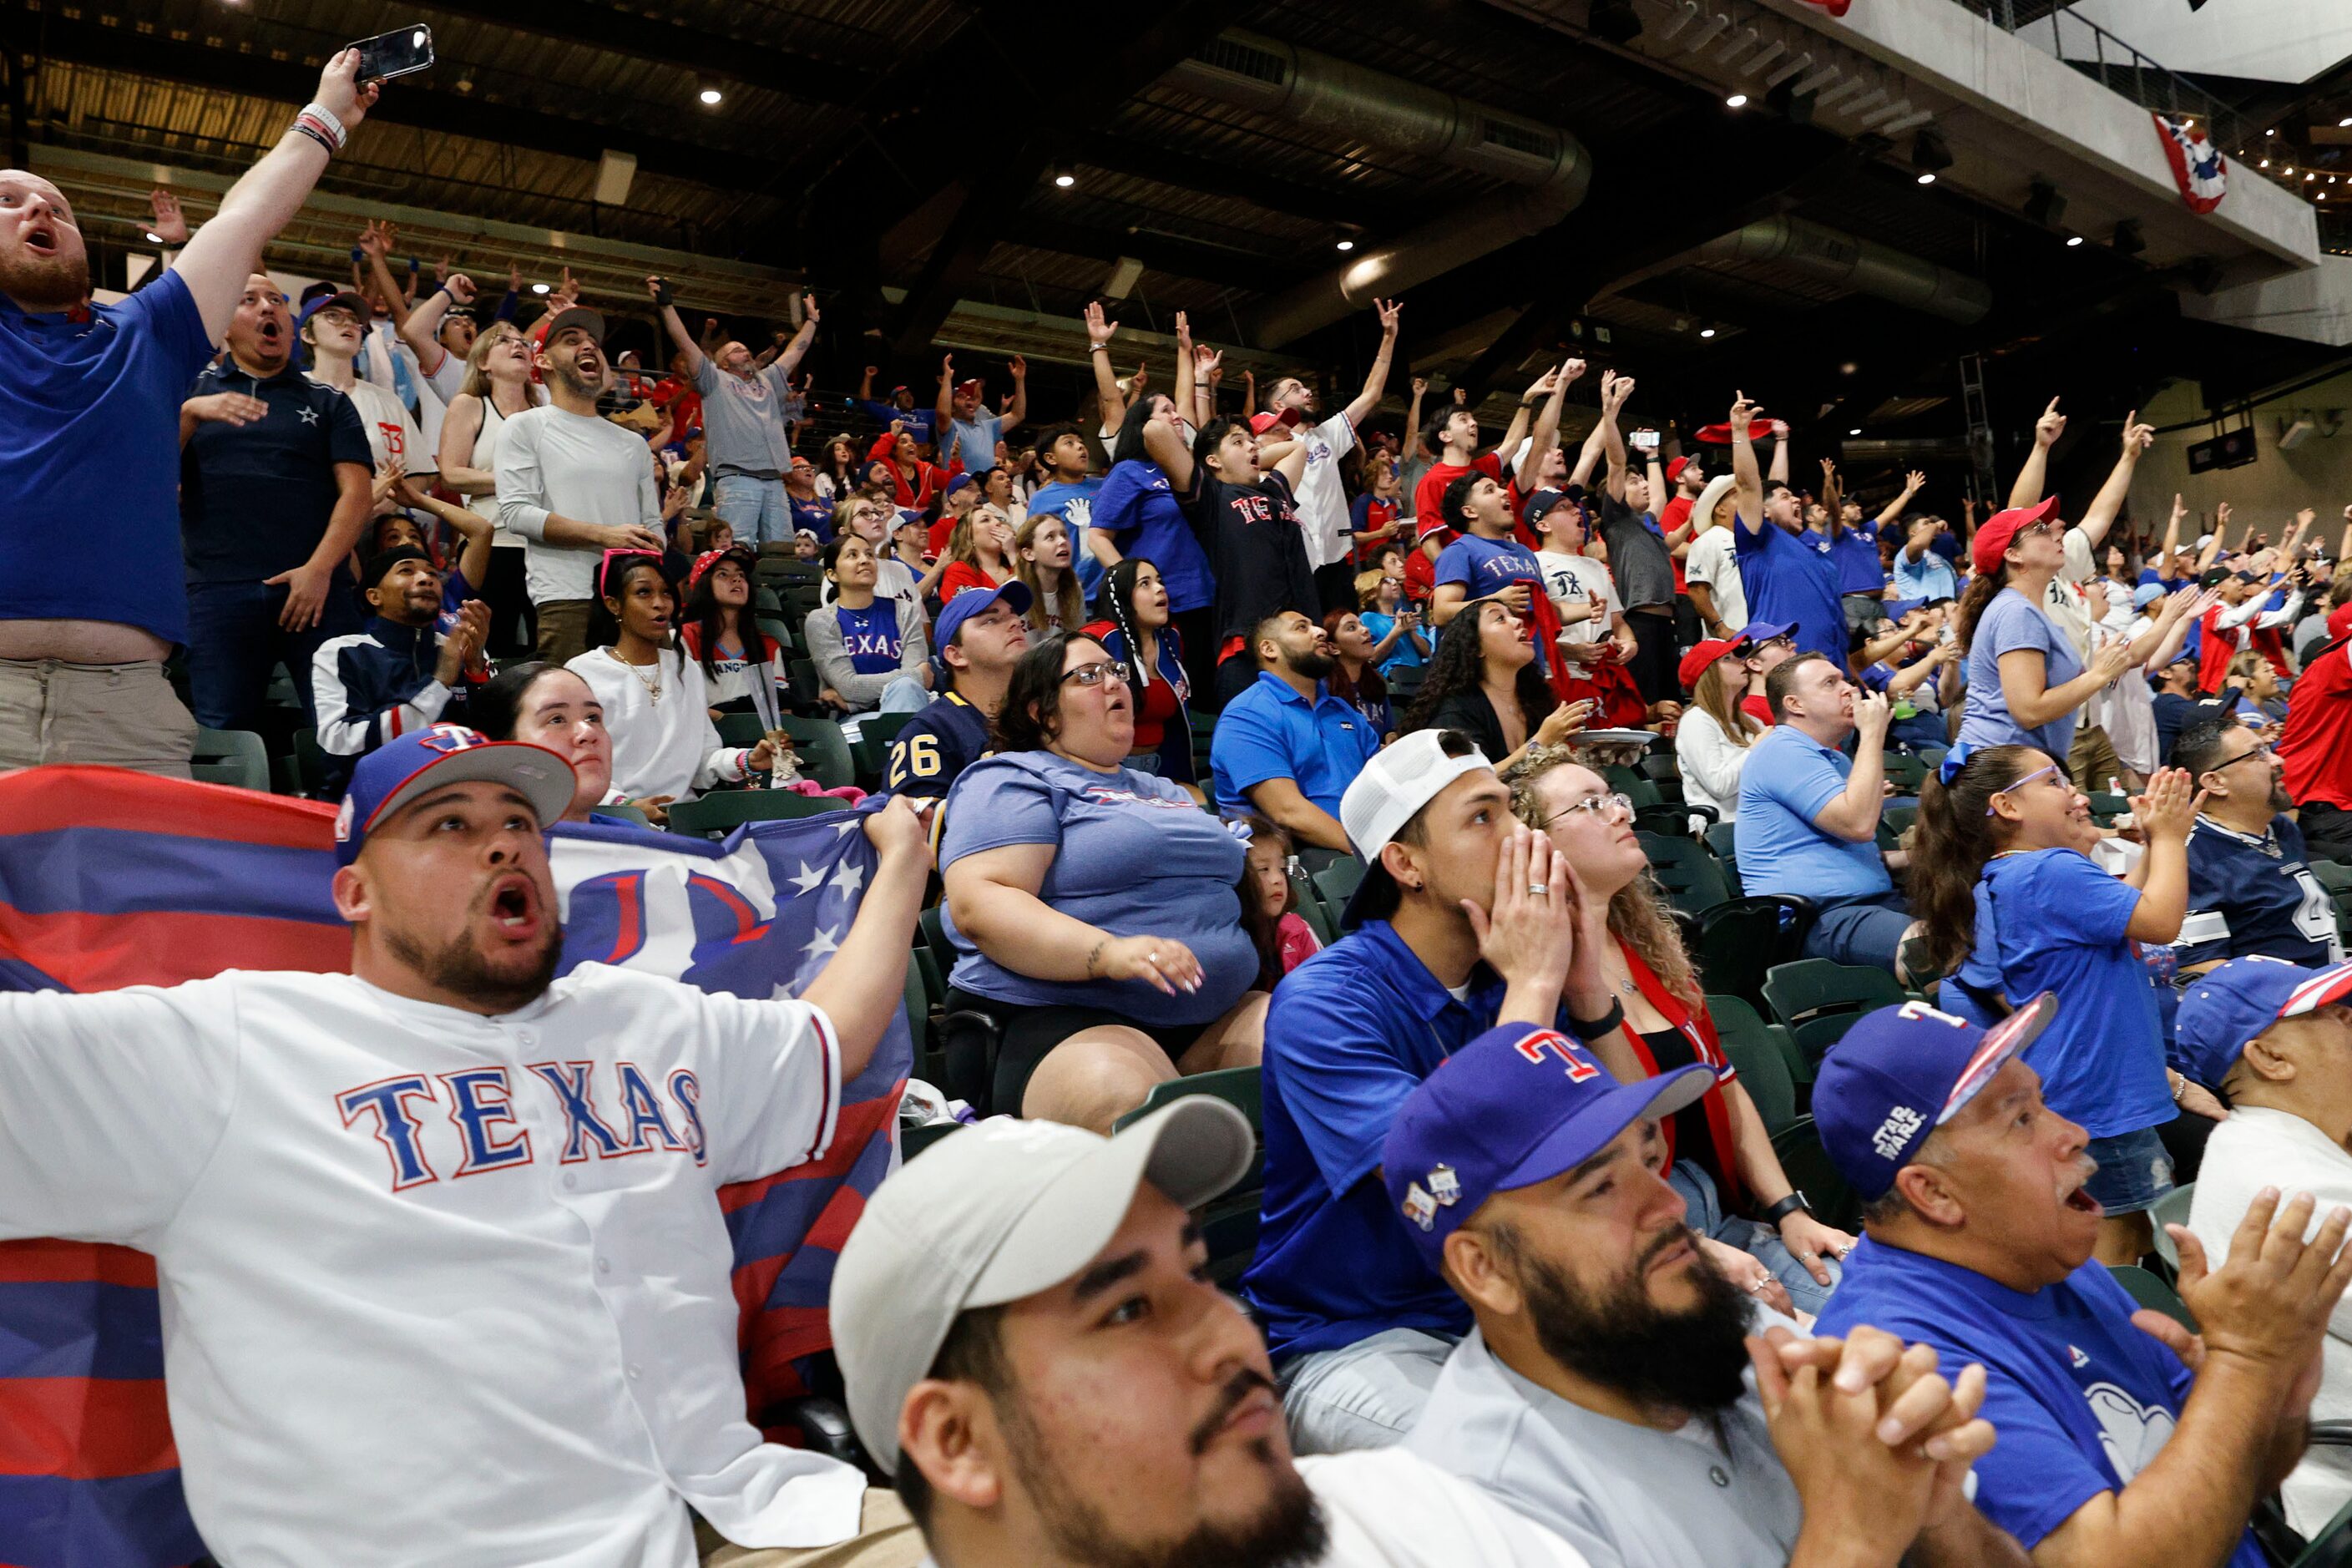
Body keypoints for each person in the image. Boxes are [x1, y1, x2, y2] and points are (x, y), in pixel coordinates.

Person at [0, 722, 933, 1565]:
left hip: (740, 1519)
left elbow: (829, 1041)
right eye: (447, 824)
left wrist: (900, 862)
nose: (502, 840)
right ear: (353, 892)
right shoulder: (229, 1045)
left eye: (521, 822)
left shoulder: (642, 1016)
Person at [828, 1107, 1597, 1568]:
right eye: (1127, 1309)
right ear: (957, 1439)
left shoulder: (1402, 1509)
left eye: (1199, 1276)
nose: (1232, 1334)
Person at [1391, 1021, 2025, 1568]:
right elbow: (1851, 1531)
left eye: (1648, 1159)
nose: (1668, 1204)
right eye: (1599, 1189)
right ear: (1484, 1268)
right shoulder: (1471, 1510)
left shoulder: (1717, 1318)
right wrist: (1850, 1539)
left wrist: (1933, 1511)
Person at [1813, 996, 2349, 1568]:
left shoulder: (2045, 1261)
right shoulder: (1902, 1357)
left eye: (2043, 1104)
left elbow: (2238, 1481)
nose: (2073, 1133)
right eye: (2020, 1119)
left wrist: (2276, 1399)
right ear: (1933, 1193)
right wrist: (2245, 1364)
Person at [1, 52, 377, 774]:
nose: (40, 209)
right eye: (9, 200)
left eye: (58, 207)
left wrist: (328, 114)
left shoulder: (148, 333)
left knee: (137, 892)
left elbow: (244, 218)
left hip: (129, 713)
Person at [1244, 729, 1592, 1453]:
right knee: (1521, 1471)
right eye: (1481, 817)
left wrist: (1582, 978)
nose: (1519, 835)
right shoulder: (1325, 1001)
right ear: (1405, 864)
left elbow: (1614, 1141)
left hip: (1515, 1307)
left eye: (1511, 809)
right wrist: (1533, 986)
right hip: (1358, 1338)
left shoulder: (1513, 968)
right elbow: (1447, 1177)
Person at [1513, 750, 1855, 1311]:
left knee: (1905, 1313)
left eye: (1615, 798)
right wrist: (1687, 1243)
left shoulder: (1647, 949)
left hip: (1728, 1218)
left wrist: (1789, 1212)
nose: (1621, 813)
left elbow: (1724, 1084)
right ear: (1535, 844)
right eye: (1590, 805)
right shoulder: (1532, 987)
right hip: (1640, 1246)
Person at [937, 632, 1267, 1130]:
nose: (1114, 682)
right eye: (1089, 676)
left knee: (1333, 1055)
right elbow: (981, 904)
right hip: (1060, 1015)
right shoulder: (1012, 777)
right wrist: (1109, 953)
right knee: (1145, 1121)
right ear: (1042, 712)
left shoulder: (1163, 790)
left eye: (1116, 671)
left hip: (1215, 1015)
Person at [1910, 745, 2203, 1262]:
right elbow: (2159, 922)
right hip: (2101, 1097)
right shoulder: (2048, 871)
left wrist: (2156, 847)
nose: (2074, 794)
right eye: (2053, 782)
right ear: (2007, 807)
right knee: (2118, 1247)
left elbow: (2122, 919)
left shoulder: (2019, 874)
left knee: (2126, 1237)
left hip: (2085, 1090)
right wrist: (2174, 837)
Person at [2177, 955, 2352, 1535]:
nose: (2350, 1022)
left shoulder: (2279, 1139)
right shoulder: (2287, 1186)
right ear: (2271, 1058)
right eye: (2335, 1016)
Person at [496, 305, 672, 665]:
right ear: (542, 362)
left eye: (593, 341)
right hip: (567, 597)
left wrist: (650, 552)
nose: (588, 346)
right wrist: (605, 536)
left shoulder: (633, 443)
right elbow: (516, 514)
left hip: (635, 597)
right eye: (571, 340)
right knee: (572, 711)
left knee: (653, 707)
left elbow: (653, 523)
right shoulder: (524, 426)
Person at [1735, 654, 1925, 975]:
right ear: (1795, 704)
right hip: (1817, 918)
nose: (1849, 690)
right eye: (1830, 683)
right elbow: (1859, 824)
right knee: (1930, 949)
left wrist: (1915, 855)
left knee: (1980, 924)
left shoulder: (1833, 760)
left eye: (1845, 679)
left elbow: (1852, 849)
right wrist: (1873, 734)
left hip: (1871, 901)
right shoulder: (1783, 749)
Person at [565, 552, 778, 808]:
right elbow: (574, 764)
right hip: (616, 820)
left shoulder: (684, 667)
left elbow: (704, 757)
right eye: (643, 592)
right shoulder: (583, 672)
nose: (660, 603)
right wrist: (627, 806)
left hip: (685, 816)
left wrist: (746, 760)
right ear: (614, 604)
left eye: (666, 593)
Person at [1955, 497, 2132, 766]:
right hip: (2004, 770)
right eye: (2040, 530)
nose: (2055, 534)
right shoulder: (2016, 612)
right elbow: (2029, 710)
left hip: (2019, 765)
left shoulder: (2025, 610)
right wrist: (2100, 674)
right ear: (2013, 554)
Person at [1256, 298, 1401, 615]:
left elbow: (1371, 394)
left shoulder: (1326, 435)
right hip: (1296, 558)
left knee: (1344, 634)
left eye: (1306, 387)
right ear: (1279, 406)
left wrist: (1388, 337)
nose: (1307, 391)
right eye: (1296, 388)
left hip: (1337, 556)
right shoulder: (1262, 444)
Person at [648, 278, 817, 547]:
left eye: (746, 349)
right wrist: (666, 307)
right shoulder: (714, 380)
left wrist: (812, 321)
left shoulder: (767, 379)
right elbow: (684, 343)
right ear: (723, 363)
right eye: (736, 350)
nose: (745, 352)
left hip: (774, 481)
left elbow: (796, 351)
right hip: (738, 480)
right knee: (737, 549)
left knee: (782, 551)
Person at [311, 548, 491, 790]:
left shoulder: (458, 648)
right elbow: (340, 742)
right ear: (375, 596)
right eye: (406, 571)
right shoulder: (342, 651)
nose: (426, 578)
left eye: (433, 574)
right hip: (370, 797)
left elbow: (494, 736)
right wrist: (439, 685)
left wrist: (476, 669)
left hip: (456, 792)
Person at [2172, 717, 2344, 971]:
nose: (2278, 760)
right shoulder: (2191, 856)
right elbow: (2203, 969)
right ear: (2216, 782)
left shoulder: (2278, 827)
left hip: (2333, 987)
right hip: (2279, 1006)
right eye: (2259, 754)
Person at [1210, 611, 1383, 854]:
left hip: (1364, 845)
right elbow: (1287, 812)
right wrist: (1374, 851)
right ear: (1270, 649)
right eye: (1302, 628)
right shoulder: (1247, 715)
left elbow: (1381, 786)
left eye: (1316, 626)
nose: (1320, 632)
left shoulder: (1343, 710)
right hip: (1294, 862)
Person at [1177, 414, 1318, 706]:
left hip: (1301, 643)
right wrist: (1234, 455)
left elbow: (1297, 449)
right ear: (1213, 461)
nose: (1252, 447)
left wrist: (1247, 452)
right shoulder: (1213, 496)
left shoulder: (1273, 492)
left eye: (1253, 441)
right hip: (1246, 645)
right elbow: (1155, 432)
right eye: (1238, 442)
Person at [435, 320, 542, 657]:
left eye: (523, 341)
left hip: (544, 547)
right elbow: (450, 474)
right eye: (504, 341)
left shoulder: (546, 415)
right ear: (483, 362)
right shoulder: (470, 404)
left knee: (548, 650)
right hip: (491, 545)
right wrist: (514, 479)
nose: (518, 345)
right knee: (489, 648)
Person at [1401, 599, 1589, 776]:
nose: (1518, 622)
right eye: (1500, 618)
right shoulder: (1454, 710)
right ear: (1476, 647)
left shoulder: (1535, 698)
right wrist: (1540, 742)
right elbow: (1471, 784)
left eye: (1513, 615)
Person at [883, 582, 1029, 807]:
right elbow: (923, 831)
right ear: (956, 655)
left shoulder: (1043, 713)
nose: (1016, 623)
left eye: (1013, 615)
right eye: (991, 620)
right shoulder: (929, 732)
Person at [1727, 395, 1844, 664]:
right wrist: (1740, 432)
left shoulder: (1808, 545)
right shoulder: (1757, 540)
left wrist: (1782, 441)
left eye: (1793, 496)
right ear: (1763, 510)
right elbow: (1749, 485)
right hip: (1786, 666)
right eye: (1784, 497)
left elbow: (1776, 483)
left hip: (1830, 661)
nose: (1795, 500)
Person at [300, 288, 435, 493]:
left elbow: (422, 472)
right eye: (333, 316)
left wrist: (389, 502)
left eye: (354, 319)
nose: (348, 323)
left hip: (380, 522)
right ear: (307, 335)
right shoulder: (291, 392)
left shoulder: (388, 401)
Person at [1090, 557, 1196, 784]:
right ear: (1123, 596)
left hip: (1165, 765)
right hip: (1107, 770)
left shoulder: (1170, 638)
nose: (1160, 588)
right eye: (1145, 583)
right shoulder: (1099, 639)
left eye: (1159, 581)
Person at [468, 660, 615, 822]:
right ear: (500, 748)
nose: (588, 732)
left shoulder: (639, 840)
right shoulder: (483, 847)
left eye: (592, 718)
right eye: (557, 720)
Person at [807, 533, 933, 719]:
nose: (865, 560)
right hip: (852, 723)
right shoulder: (821, 620)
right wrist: (917, 676)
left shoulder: (904, 610)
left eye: (870, 554)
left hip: (907, 707)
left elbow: (910, 688)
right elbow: (848, 686)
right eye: (852, 555)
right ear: (832, 574)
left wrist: (852, 702)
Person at [677, 544, 788, 724]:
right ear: (704, 584)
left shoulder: (768, 645)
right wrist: (729, 723)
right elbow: (680, 704)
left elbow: (780, 708)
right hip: (705, 737)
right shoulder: (684, 637)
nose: (736, 579)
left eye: (741, 575)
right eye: (723, 574)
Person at [1675, 637, 1763, 825]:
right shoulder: (1696, 720)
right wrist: (1756, 748)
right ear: (1708, 673)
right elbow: (1720, 785)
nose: (1742, 661)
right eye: (1727, 659)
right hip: (1723, 830)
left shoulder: (1752, 723)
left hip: (1759, 821)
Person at [1024, 420, 1115, 597]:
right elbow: (1038, 551)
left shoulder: (1106, 486)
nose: (1080, 447)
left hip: (1114, 590)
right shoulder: (1042, 500)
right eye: (1069, 443)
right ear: (1051, 458)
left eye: (1081, 442)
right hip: (1071, 596)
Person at [1241, 812, 1323, 986]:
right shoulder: (1229, 940)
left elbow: (1323, 988)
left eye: (1281, 868)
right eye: (1263, 869)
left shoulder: (1298, 930)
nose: (1277, 879)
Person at [932, 351, 1026, 476]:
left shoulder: (989, 426)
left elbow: (1018, 414)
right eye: (961, 396)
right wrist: (947, 378)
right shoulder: (951, 427)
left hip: (986, 493)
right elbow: (943, 413)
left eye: (970, 397)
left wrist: (1020, 380)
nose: (968, 399)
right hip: (959, 492)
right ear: (952, 407)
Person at [1682, 477, 1749, 643]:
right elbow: (1697, 590)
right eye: (1736, 495)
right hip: (1731, 636)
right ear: (1720, 509)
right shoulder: (1709, 540)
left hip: (1758, 631)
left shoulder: (1750, 541)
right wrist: (1720, 627)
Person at [1323, 609, 1395, 739]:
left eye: (1362, 624)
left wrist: (1391, 735)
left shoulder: (1376, 680)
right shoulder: (1324, 688)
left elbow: (1388, 728)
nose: (1365, 630)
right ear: (1333, 648)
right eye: (1351, 628)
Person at [1013, 510, 1085, 634]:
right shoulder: (1012, 593)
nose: (1062, 541)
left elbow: (1078, 639)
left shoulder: (1075, 590)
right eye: (1050, 537)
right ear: (1029, 554)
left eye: (1064, 535)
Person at [937, 503, 1018, 604]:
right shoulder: (959, 571)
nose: (997, 522)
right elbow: (974, 611)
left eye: (998, 519)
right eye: (985, 520)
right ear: (969, 537)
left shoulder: (1016, 564)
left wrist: (1013, 555)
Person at [1357, 569, 1429, 678]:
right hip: (1392, 677)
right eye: (1386, 581)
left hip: (1418, 675)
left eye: (1393, 579)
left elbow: (1427, 652)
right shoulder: (1368, 618)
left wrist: (1412, 632)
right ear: (1371, 593)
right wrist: (1398, 630)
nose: (1394, 582)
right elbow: (1372, 658)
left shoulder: (1408, 617)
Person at [1892, 512, 1962, 602]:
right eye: (1926, 523)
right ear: (1913, 532)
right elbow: (1918, 543)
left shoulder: (1936, 557)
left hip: (1944, 610)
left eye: (1930, 523)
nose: (1931, 526)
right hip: (1923, 612)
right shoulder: (1904, 554)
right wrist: (1936, 525)